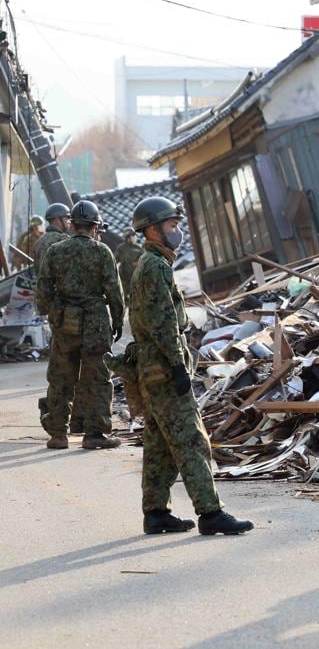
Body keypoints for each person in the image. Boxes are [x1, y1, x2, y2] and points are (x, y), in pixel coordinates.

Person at [129, 196, 252, 536]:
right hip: (165, 370)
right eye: (172, 226)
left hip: (152, 370)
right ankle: (211, 513)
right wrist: (178, 367)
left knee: (158, 444)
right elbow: (163, 322)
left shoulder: (151, 264)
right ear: (153, 230)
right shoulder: (155, 267)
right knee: (191, 441)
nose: (178, 231)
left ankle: (156, 512)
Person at [35, 200, 124, 450]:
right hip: (96, 322)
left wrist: (57, 312)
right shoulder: (102, 251)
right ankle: (95, 434)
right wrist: (117, 320)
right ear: (95, 226)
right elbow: (115, 292)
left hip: (65, 323)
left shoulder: (55, 251)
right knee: (98, 379)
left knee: (61, 378)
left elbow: (42, 290)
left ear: (72, 225)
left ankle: (58, 435)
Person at [32, 202, 71, 274]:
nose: (68, 222)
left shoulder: (39, 241)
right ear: (57, 219)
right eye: (66, 218)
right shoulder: (64, 239)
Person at [115, 227, 142, 297]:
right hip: (124, 278)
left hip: (136, 278)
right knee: (123, 297)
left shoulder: (139, 248)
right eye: (129, 236)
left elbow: (144, 261)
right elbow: (115, 261)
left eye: (133, 236)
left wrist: (139, 263)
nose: (131, 238)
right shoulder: (121, 248)